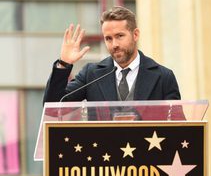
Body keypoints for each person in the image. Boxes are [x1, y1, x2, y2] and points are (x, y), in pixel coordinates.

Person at [43, 6, 181, 103]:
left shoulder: (164, 77)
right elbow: (53, 106)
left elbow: (177, 128)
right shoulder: (91, 74)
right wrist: (64, 63)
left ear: (135, 34)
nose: (114, 44)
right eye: (108, 38)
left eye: (120, 36)